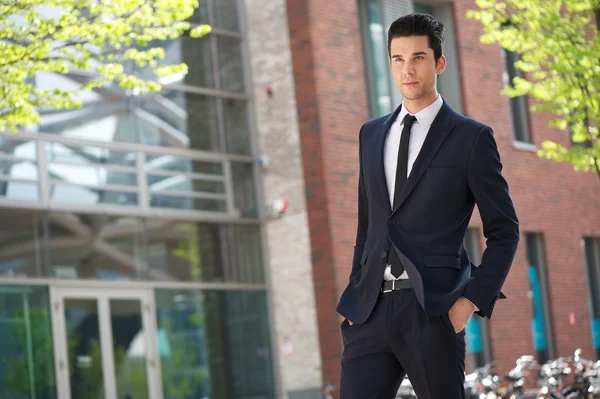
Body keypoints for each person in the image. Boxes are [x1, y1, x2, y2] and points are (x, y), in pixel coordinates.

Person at [336, 13, 520, 399]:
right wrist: (354, 296)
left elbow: (504, 229)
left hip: (433, 312)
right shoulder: (370, 135)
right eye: (398, 59)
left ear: (438, 63)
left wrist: (470, 302)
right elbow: (367, 225)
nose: (407, 68)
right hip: (368, 313)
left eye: (418, 57)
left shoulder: (471, 138)